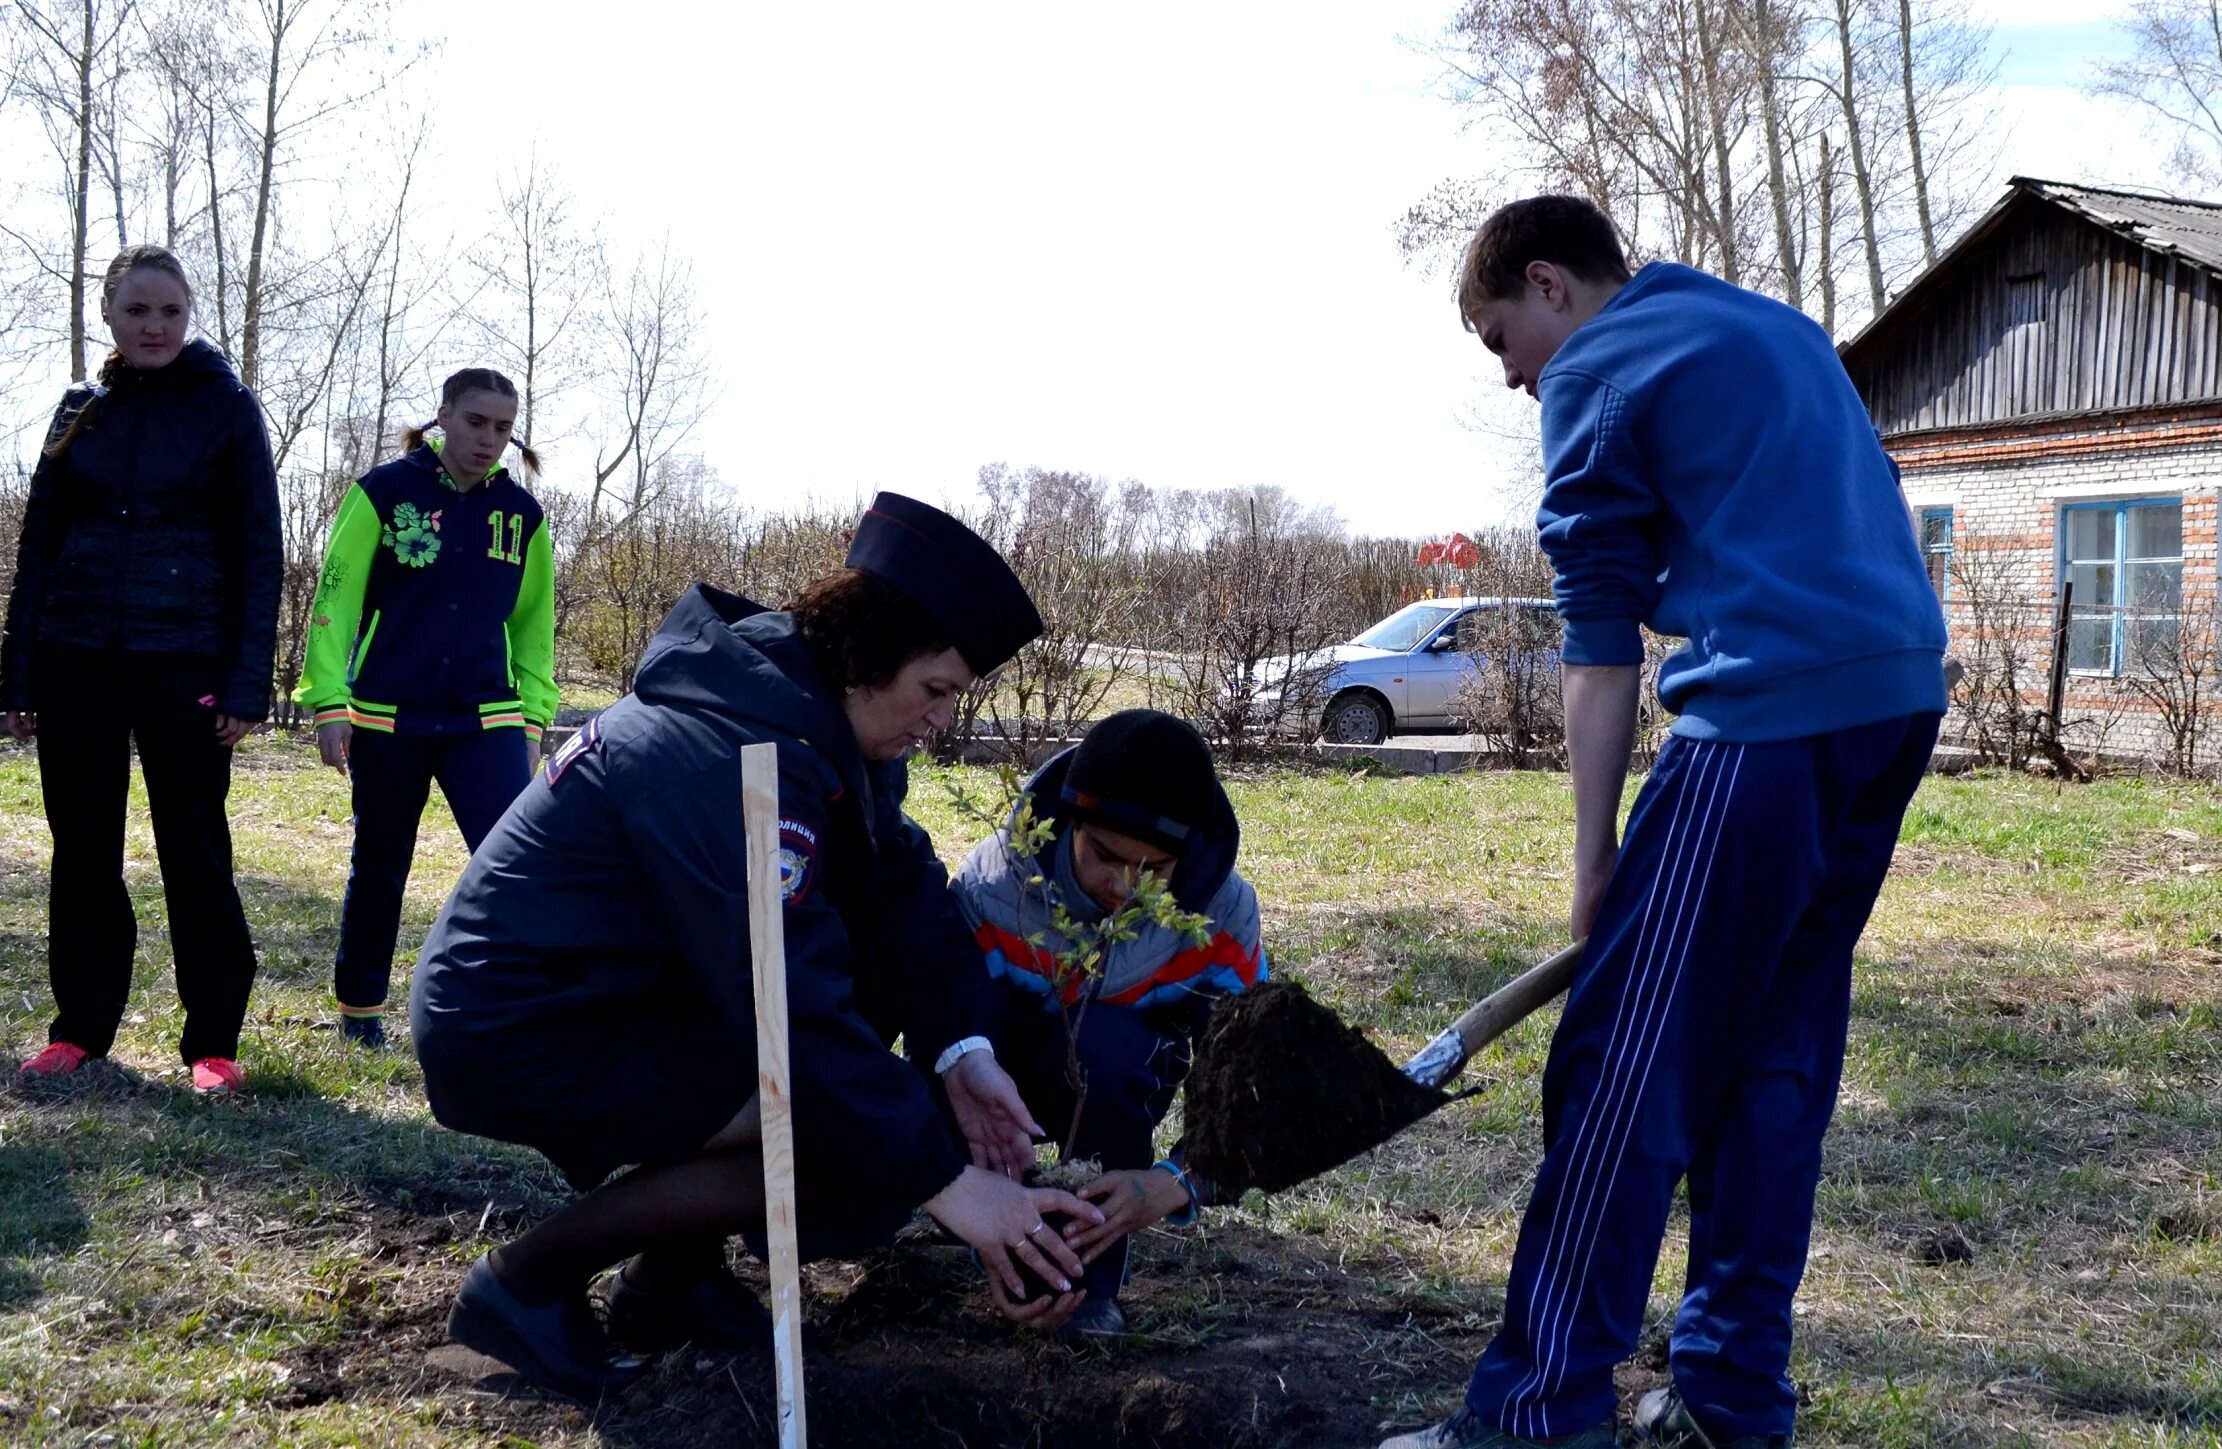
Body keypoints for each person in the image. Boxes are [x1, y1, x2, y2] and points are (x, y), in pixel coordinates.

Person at [1381, 197, 1947, 1449]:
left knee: (1618, 1075)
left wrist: (1593, 866)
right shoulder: (1764, 327)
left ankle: (1533, 1415)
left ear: (1550, 285)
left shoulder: (1598, 367)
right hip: (1893, 705)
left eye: (1500, 340)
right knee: (1773, 1058)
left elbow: (1595, 641)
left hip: (1761, 726)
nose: (1519, 379)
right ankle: (1732, 1403)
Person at [409, 491, 1104, 1399]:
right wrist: (947, 1181)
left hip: (629, 994)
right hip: (522, 1022)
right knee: (847, 1135)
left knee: (872, 1076)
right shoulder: (726, 750)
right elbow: (792, 1008)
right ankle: (521, 1283)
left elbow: (900, 892)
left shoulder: (808, 723)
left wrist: (963, 1050)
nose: (940, 719)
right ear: (864, 657)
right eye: (933, 690)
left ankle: (672, 1278)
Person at [1, 245, 281, 1095]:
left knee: (194, 849)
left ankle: (213, 1043)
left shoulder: (229, 408)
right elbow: (39, 547)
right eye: (135, 311)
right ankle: (80, 1027)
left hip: (185, 661)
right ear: (108, 317)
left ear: (189, 314)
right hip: (76, 658)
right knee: (82, 850)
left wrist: (244, 681)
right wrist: (16, 675)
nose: (153, 325)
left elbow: (259, 551)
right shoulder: (77, 410)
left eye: (168, 310)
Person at [951, 708, 1265, 1339]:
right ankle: (985, 1225)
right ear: (1069, 821)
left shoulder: (1224, 915)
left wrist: (1176, 1181)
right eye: (1106, 855)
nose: (1124, 886)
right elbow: (948, 1031)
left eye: (1154, 869)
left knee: (1106, 1048)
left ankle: (1088, 1284)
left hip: (1117, 1078)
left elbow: (1256, 1082)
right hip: (995, 1086)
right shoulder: (993, 889)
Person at [293, 368, 557, 1049]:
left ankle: (510, 1006)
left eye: (503, 428)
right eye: (475, 422)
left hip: (488, 718)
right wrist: (328, 700)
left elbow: (534, 628)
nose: (488, 440)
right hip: (387, 714)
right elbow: (335, 599)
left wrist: (533, 720)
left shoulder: (522, 518)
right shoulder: (382, 494)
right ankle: (360, 1010)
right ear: (443, 415)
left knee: (512, 864)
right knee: (380, 862)